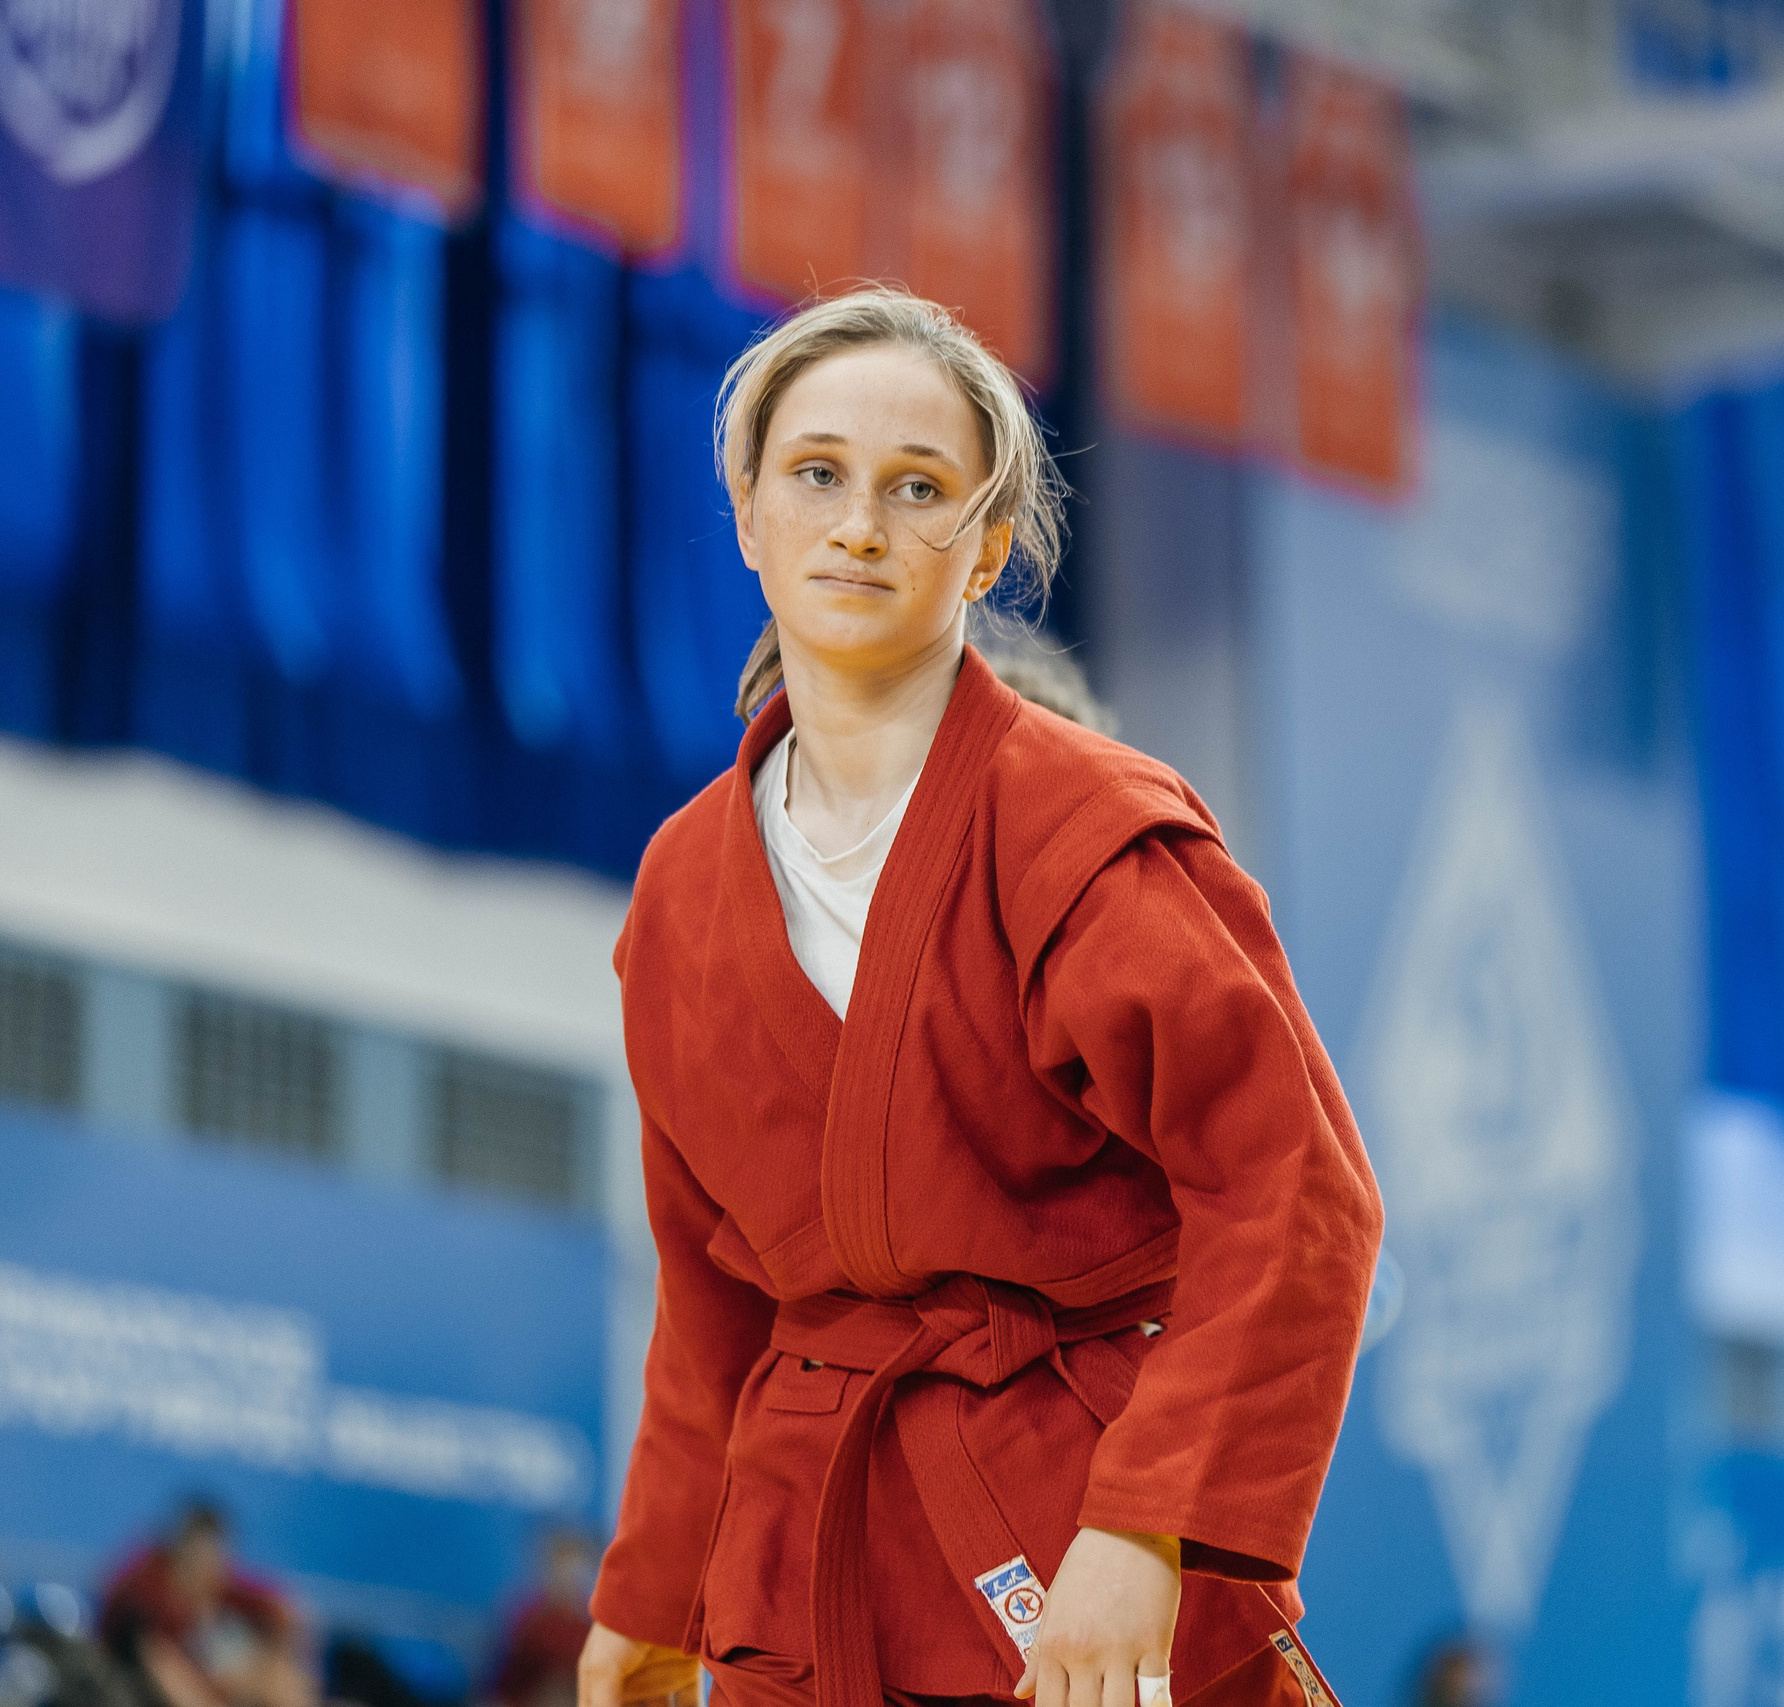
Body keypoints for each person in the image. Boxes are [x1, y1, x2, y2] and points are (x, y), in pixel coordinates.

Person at [573, 288, 1382, 1707]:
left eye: (920, 488)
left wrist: (1146, 1523)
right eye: (816, 472)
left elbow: (1292, 1188)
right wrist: (652, 1593)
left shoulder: (1088, 829)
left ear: (989, 548)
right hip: (804, 1558)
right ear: (749, 511)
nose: (863, 524)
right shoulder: (682, 886)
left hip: (1069, 1527)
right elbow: (711, 1299)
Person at [97, 1503, 313, 1707]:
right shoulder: (144, 1591)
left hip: (212, 1675)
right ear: (179, 1552)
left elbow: (282, 1611)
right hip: (139, 1685)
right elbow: (166, 1669)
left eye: (212, 1559)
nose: (203, 1569)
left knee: (276, 1669)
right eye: (195, 1557)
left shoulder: (223, 1586)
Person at [485, 1534, 596, 1707]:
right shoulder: (528, 1621)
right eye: (562, 1568)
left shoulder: (590, 1628)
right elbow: (503, 1684)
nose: (569, 1578)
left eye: (575, 1570)